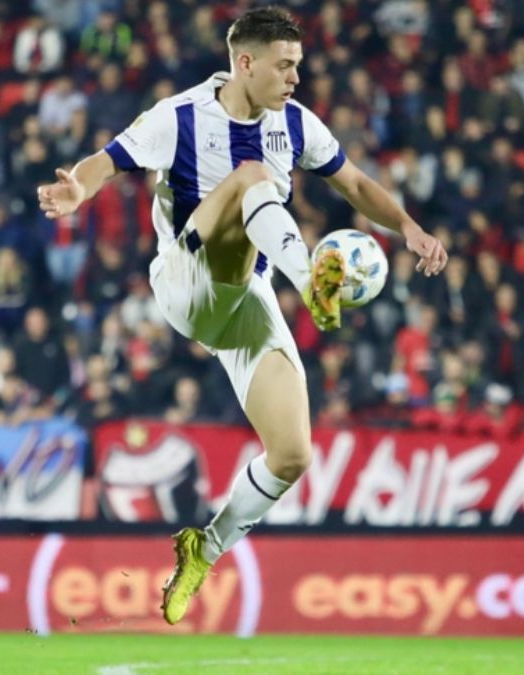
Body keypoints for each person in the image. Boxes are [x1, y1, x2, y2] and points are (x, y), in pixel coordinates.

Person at [37, 7, 447, 625]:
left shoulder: (296, 123)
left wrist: (409, 227)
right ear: (245, 62)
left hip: (242, 298)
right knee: (251, 175)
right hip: (186, 279)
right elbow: (108, 159)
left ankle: (206, 546)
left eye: (299, 66)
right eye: (285, 66)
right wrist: (78, 190)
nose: (295, 79)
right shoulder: (178, 115)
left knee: (292, 455)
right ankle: (311, 279)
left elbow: (356, 184)